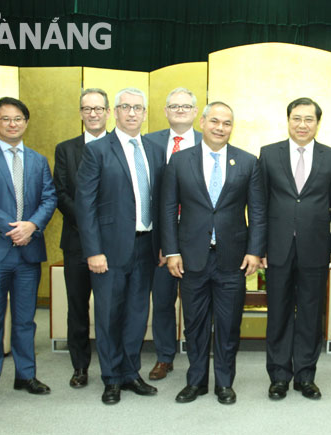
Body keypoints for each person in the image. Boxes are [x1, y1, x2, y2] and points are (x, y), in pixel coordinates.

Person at [161, 101, 266, 405]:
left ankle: (224, 382)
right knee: (194, 325)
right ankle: (195, 382)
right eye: (215, 121)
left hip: (232, 259)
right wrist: (171, 251)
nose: (221, 128)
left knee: (228, 324)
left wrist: (255, 251)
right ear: (203, 122)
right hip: (191, 258)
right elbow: (168, 209)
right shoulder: (180, 161)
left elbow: (257, 212)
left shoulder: (247, 162)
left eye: (227, 123)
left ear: (233, 127)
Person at [0, 97, 57, 410]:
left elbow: (49, 198)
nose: (13, 124)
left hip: (28, 253)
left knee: (25, 321)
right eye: (6, 119)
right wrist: (13, 229)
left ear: (26, 122)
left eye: (18, 118)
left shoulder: (38, 160)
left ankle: (25, 375)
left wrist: (31, 226)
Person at [75, 87, 166, 405]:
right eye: (125, 107)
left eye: (138, 108)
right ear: (115, 112)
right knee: (109, 314)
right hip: (108, 251)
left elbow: (160, 202)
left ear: (145, 113)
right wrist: (93, 250)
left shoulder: (155, 149)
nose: (131, 113)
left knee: (138, 314)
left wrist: (162, 244)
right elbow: (84, 205)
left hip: (146, 247)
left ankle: (130, 372)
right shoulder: (98, 150)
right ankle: (111, 378)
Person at [260, 97, 331, 401]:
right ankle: (279, 376)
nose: (302, 124)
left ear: (317, 123)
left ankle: (306, 376)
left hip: (316, 248)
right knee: (279, 313)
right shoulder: (269, 154)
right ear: (288, 120)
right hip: (277, 247)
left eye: (309, 119)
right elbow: (260, 205)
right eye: (296, 118)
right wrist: (259, 248)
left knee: (311, 313)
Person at [144, 87, 202, 381]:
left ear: (196, 113)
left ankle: (198, 356)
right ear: (165, 111)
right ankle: (165, 357)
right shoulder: (148, 142)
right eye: (174, 106)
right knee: (163, 300)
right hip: (161, 237)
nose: (180, 110)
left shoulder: (211, 142)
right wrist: (162, 240)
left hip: (200, 238)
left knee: (198, 302)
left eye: (186, 106)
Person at [54, 88, 110, 388]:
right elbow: (60, 193)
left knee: (110, 308)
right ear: (80, 113)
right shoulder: (66, 149)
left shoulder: (121, 146)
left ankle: (112, 368)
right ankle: (80, 367)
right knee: (78, 307)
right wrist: (89, 224)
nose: (93, 114)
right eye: (87, 109)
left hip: (114, 244)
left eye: (99, 108)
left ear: (108, 112)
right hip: (76, 241)